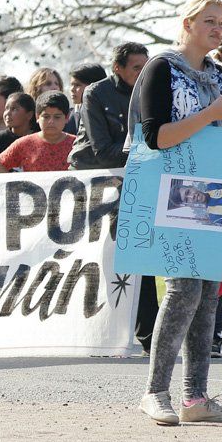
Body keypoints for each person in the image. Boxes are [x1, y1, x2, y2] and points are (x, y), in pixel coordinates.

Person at [129, 0, 222, 426]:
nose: (217, 28)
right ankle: (155, 392)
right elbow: (157, 137)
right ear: (187, 23)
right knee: (182, 291)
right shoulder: (162, 67)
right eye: (208, 21)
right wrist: (211, 113)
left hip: (211, 191)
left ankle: (196, 398)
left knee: (209, 294)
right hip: (169, 186)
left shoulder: (219, 73)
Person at [70, 43, 153, 350]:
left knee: (139, 253)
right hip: (94, 182)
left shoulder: (151, 91)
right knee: (96, 260)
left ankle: (147, 334)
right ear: (117, 68)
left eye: (146, 66)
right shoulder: (96, 93)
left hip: (135, 180)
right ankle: (91, 329)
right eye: (136, 67)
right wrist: (149, 151)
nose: (143, 73)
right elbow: (101, 151)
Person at [0, 91, 75, 173]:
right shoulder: (25, 143)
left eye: (57, 117)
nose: (51, 121)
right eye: (46, 117)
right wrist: (12, 184)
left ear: (67, 117)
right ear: (37, 117)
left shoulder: (76, 144)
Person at [64, 63, 106, 135]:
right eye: (71, 84)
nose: (72, 89)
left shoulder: (109, 116)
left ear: (94, 86)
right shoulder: (67, 117)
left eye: (77, 85)